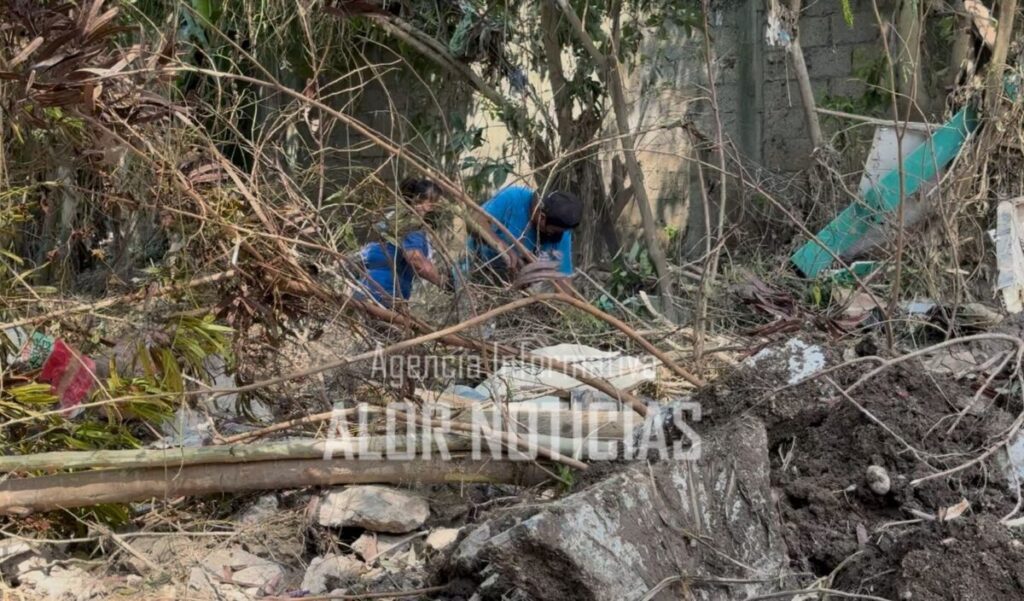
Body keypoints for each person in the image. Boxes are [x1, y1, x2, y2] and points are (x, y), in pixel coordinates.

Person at [356, 177, 447, 308]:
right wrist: (443, 282)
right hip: (386, 290)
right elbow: (415, 259)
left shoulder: (393, 217)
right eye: (437, 204)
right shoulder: (412, 225)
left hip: (366, 284)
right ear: (428, 203)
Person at [467, 186, 582, 281]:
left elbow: (564, 279)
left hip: (506, 289)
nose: (557, 235)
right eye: (553, 231)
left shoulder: (561, 232)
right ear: (542, 218)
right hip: (473, 270)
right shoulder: (512, 198)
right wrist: (501, 246)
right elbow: (474, 220)